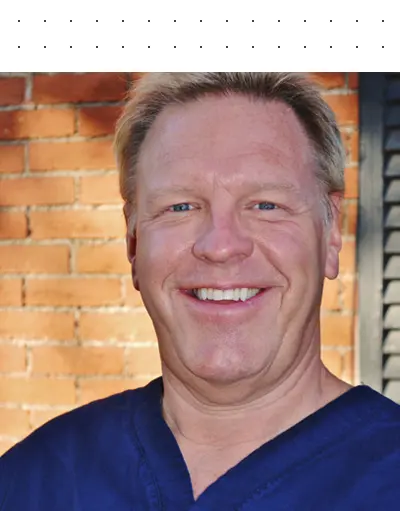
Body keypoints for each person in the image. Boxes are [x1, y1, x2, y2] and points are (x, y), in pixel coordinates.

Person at [0, 72, 399, 510]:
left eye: (266, 205)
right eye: (181, 206)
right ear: (133, 239)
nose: (221, 246)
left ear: (332, 233)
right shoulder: (35, 481)